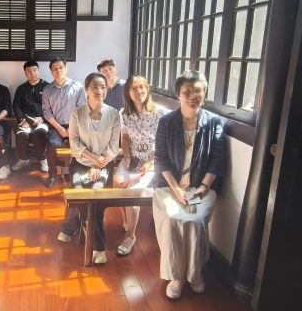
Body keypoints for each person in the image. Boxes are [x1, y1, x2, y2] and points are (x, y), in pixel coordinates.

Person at [152, 70, 225, 300]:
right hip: (168, 185)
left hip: (202, 187)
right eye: (188, 91)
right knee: (173, 220)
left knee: (195, 220)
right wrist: (176, 189)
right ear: (178, 94)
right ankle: (177, 276)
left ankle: (195, 274)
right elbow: (161, 160)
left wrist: (203, 187)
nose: (193, 95)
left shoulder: (213, 122)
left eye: (198, 91)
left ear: (205, 93)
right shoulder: (166, 122)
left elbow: (217, 160)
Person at [56, 72, 120, 264]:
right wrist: (93, 160)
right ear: (86, 90)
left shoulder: (114, 114)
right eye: (95, 87)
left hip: (104, 165)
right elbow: (74, 145)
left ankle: (96, 246)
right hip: (80, 164)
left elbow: (113, 147)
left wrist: (100, 165)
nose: (99, 91)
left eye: (103, 87)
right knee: (79, 195)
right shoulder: (77, 113)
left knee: (96, 197)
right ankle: (74, 227)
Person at [113, 75, 166, 256]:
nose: (138, 91)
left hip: (154, 160)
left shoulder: (159, 112)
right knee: (117, 182)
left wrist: (151, 162)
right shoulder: (123, 113)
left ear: (147, 89)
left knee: (133, 191)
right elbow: (125, 138)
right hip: (133, 158)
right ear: (127, 92)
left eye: (141, 87)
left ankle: (130, 235)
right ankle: (127, 220)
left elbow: (165, 143)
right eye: (134, 88)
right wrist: (127, 157)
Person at [41, 57, 86, 188]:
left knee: (80, 146)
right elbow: (46, 111)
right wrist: (59, 127)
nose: (58, 70)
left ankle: (76, 174)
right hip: (56, 126)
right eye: (54, 69)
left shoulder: (77, 87)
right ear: (51, 72)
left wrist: (72, 127)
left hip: (75, 126)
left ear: (66, 68)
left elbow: (82, 109)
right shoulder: (47, 89)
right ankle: (52, 174)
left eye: (61, 67)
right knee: (52, 144)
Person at [11, 60, 49, 172]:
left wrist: (42, 118)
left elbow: (52, 107)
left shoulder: (47, 87)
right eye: (29, 71)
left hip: (42, 120)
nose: (32, 73)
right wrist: (22, 119)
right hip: (26, 120)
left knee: (39, 133)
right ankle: (23, 159)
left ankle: (42, 160)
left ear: (38, 71)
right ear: (25, 73)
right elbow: (16, 106)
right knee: (21, 134)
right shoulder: (21, 88)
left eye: (34, 70)